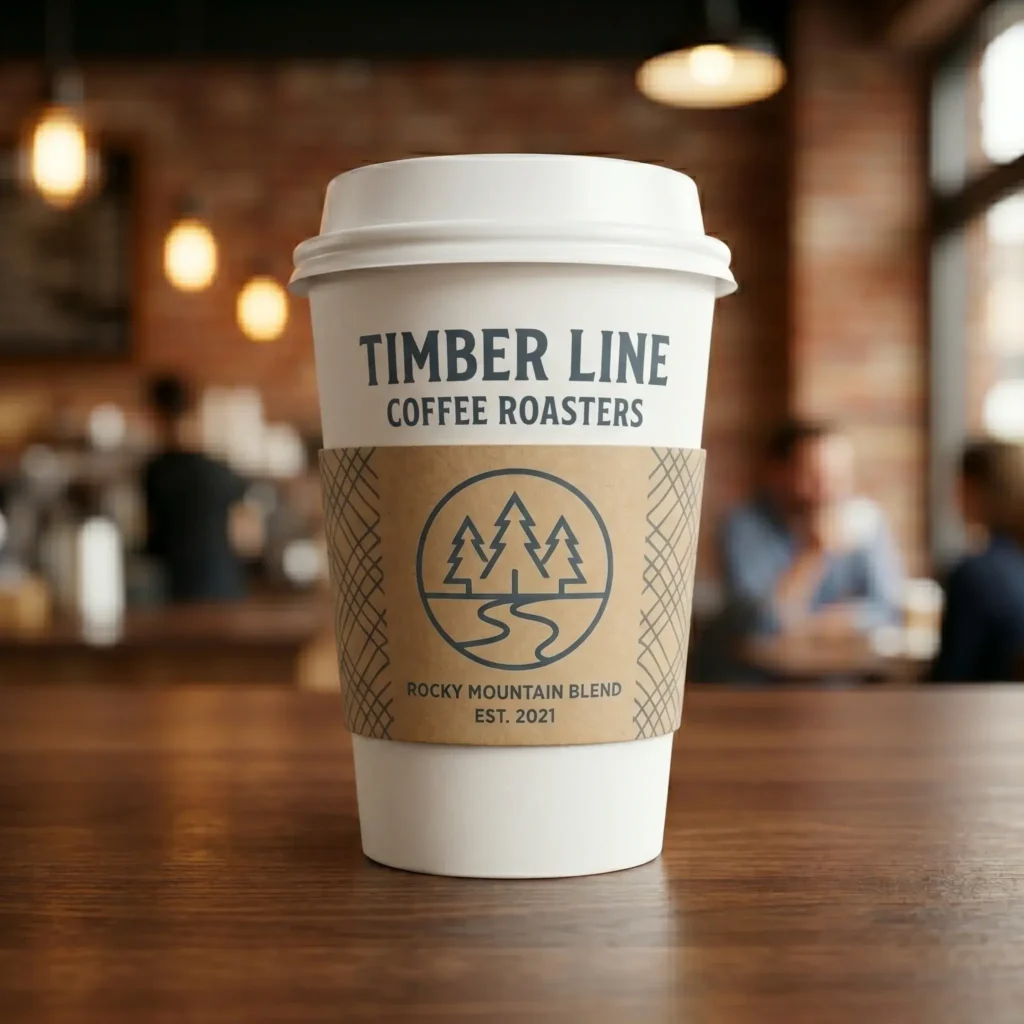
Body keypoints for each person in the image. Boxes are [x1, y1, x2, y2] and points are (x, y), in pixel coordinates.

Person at [702, 419, 904, 681]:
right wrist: (813, 554)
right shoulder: (742, 526)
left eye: (839, 476)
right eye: (813, 475)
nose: (828, 489)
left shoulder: (865, 521)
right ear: (777, 472)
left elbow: (888, 609)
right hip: (754, 688)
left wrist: (808, 624)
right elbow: (761, 624)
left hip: (835, 684)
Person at [142, 375, 248, 603]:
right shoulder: (222, 470)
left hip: (173, 589)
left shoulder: (156, 472)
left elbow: (147, 530)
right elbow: (247, 536)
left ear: (154, 414)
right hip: (223, 585)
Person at [932, 440, 1024, 682]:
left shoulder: (974, 575)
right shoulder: (1010, 564)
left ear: (973, 489)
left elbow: (950, 680)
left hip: (982, 714)